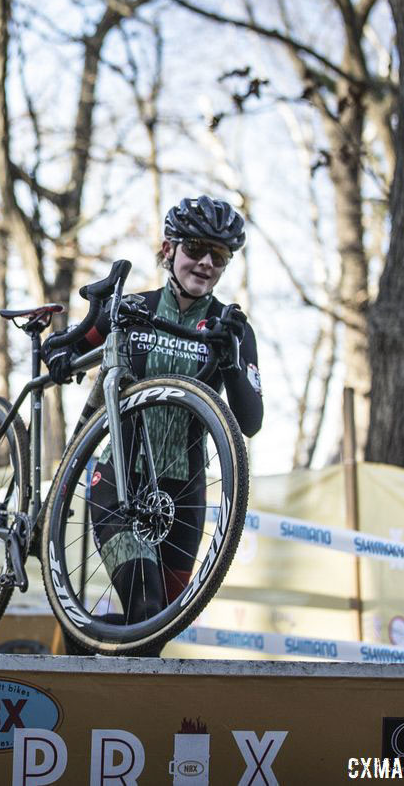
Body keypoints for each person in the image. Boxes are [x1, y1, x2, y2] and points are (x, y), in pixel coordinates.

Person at [43, 196, 262, 653]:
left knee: (157, 628)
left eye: (217, 257)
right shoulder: (131, 307)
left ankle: (81, 647)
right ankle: (84, 657)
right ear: (169, 250)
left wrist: (233, 361)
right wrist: (59, 352)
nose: (204, 263)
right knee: (144, 605)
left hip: (184, 496)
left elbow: (251, 421)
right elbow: (67, 345)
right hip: (121, 480)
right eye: (196, 248)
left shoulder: (230, 326)